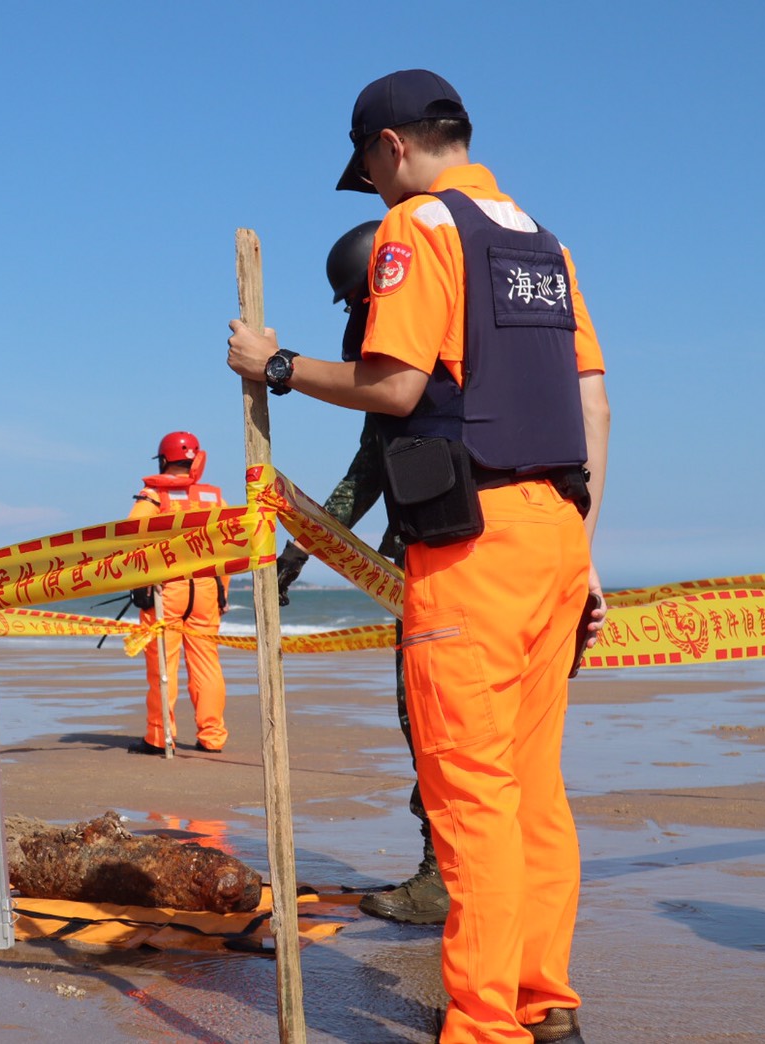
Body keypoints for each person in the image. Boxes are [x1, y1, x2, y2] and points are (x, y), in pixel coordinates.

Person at [228, 69, 609, 1044]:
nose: (372, 184)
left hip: (471, 550)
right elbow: (592, 401)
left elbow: (393, 385)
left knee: (469, 795)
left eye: (367, 165)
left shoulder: (417, 229)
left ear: (389, 147)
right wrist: (584, 553)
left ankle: (484, 1026)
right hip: (557, 537)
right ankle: (544, 1000)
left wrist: (275, 366)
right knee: (533, 791)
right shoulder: (540, 243)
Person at [276, 220, 449, 927]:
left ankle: (445, 877)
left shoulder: (407, 371)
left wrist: (298, 554)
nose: (354, 324)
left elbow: (364, 478)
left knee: (432, 719)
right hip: (486, 554)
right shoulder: (450, 359)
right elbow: (368, 474)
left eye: (355, 307)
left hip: (439, 568)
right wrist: (297, 552)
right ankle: (473, 870)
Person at [128, 432, 230, 754]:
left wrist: (140, 587)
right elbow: (227, 548)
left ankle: (159, 738)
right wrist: (222, 594)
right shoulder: (215, 499)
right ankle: (212, 738)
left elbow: (132, 539)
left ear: (163, 460)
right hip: (205, 589)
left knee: (163, 665)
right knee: (207, 666)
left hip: (167, 589)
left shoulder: (153, 497)